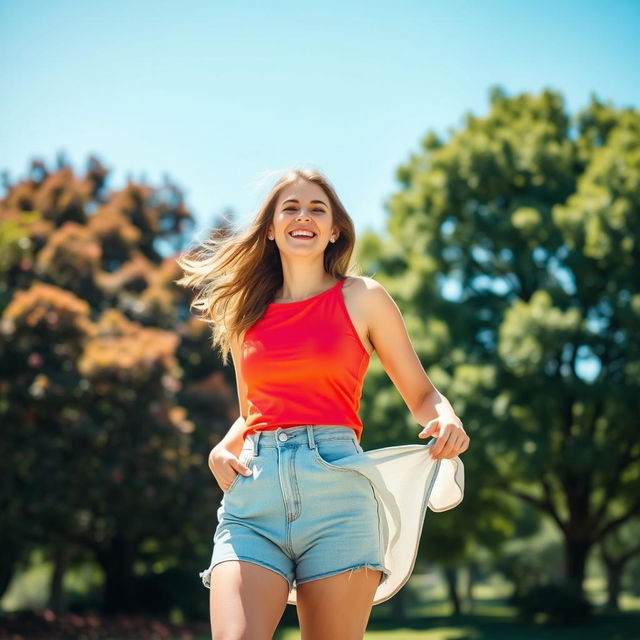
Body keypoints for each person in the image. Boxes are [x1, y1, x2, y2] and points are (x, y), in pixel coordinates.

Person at [176, 168, 469, 640]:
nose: (303, 216)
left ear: (335, 230)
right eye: (289, 208)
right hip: (255, 496)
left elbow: (422, 394)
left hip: (340, 495)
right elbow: (253, 410)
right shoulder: (246, 314)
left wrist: (445, 417)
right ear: (270, 229)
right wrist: (223, 447)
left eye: (317, 208)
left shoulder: (364, 298)